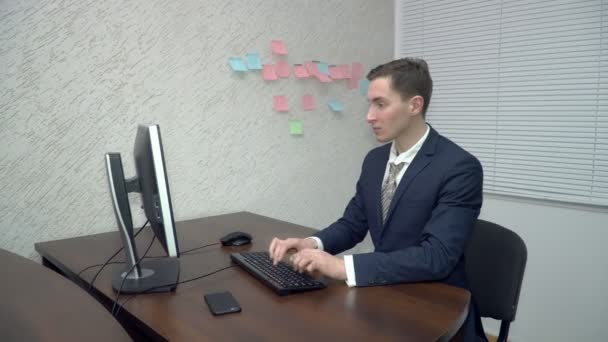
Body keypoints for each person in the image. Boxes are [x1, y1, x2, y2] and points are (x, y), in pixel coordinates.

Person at [268, 57, 487, 341]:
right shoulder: (375, 160)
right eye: (370, 104)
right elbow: (353, 223)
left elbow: (437, 257)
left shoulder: (459, 168)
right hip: (383, 297)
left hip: (437, 310)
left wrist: (340, 266)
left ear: (414, 105)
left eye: (380, 104)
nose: (369, 116)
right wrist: (311, 243)